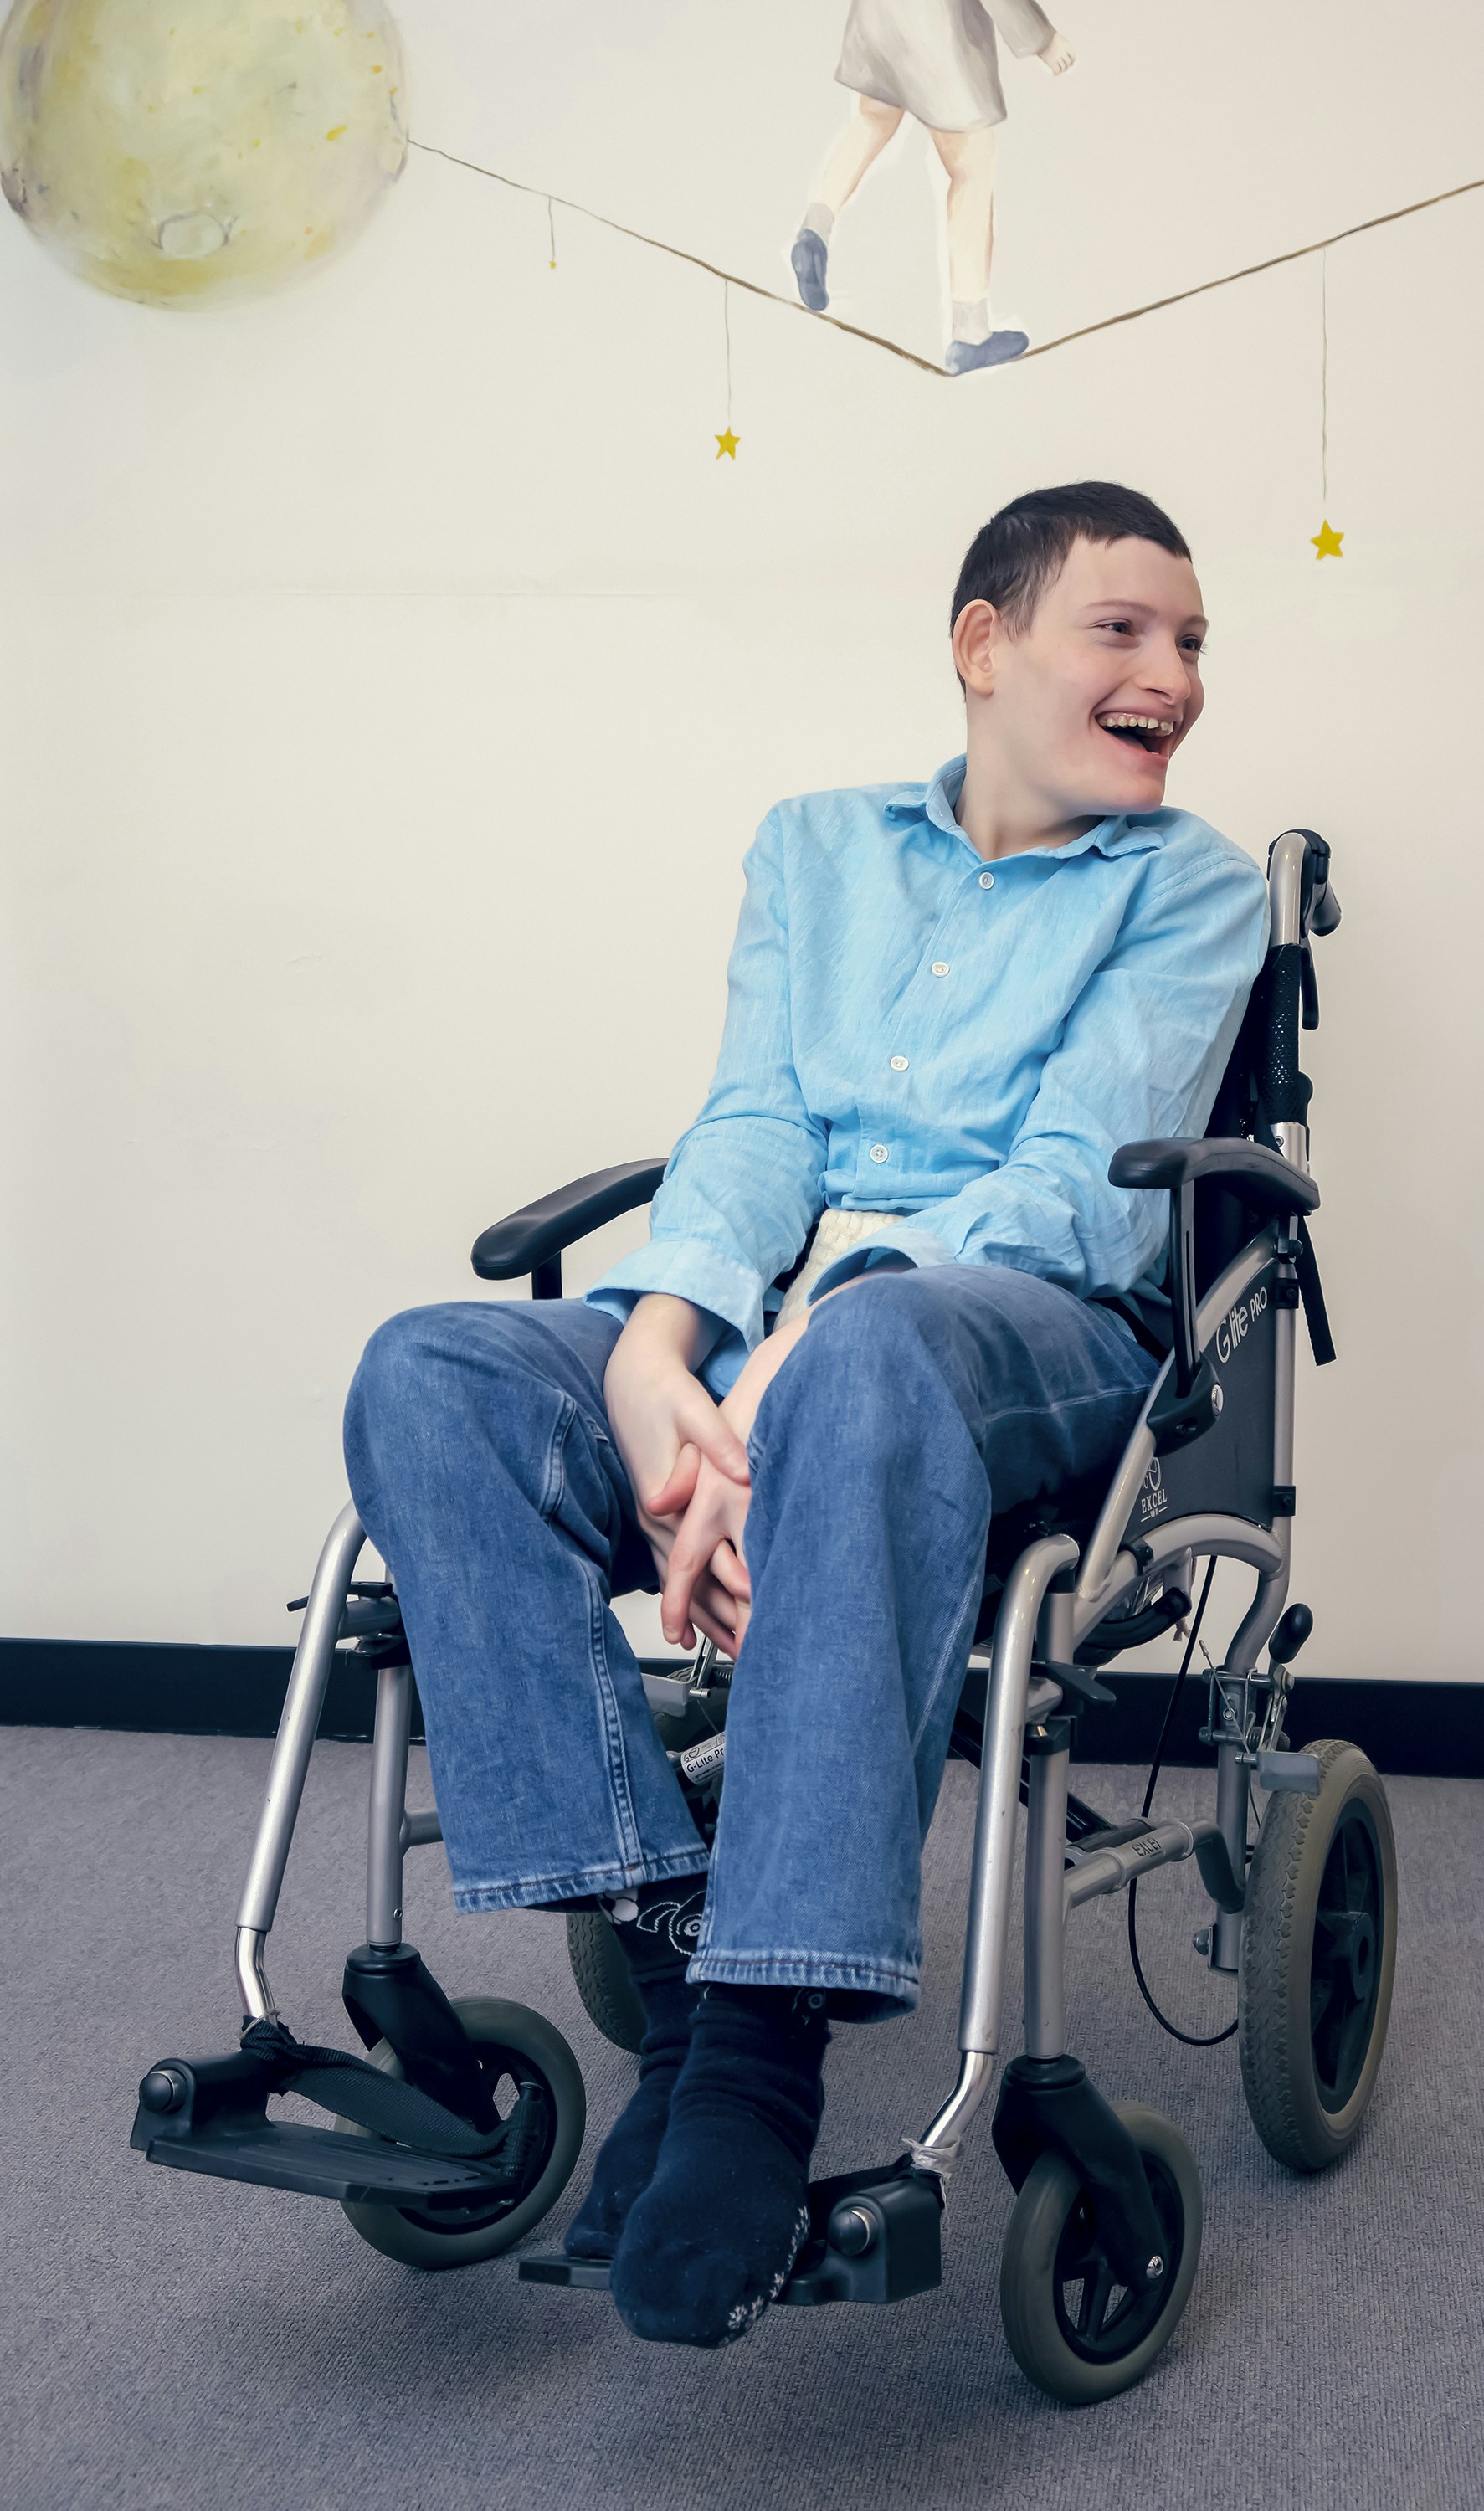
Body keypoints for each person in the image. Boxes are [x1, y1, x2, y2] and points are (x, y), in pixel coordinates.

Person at [343, 481, 1268, 2351]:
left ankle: (755, 2063)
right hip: (774, 1341)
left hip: (1026, 1345)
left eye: (1191, 646)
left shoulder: (1192, 885)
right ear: (984, 645)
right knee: (425, 1370)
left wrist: (773, 1372)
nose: (1171, 675)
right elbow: (756, 1125)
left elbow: (1073, 1191)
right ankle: (680, 1952)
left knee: (867, 1350)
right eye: (1126, 631)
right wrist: (655, 1349)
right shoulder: (813, 848)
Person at [790, 0, 1076, 372]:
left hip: (880, 20)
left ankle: (815, 229)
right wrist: (1042, 39)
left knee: (872, 122)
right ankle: (970, 335)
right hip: (939, 34)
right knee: (971, 167)